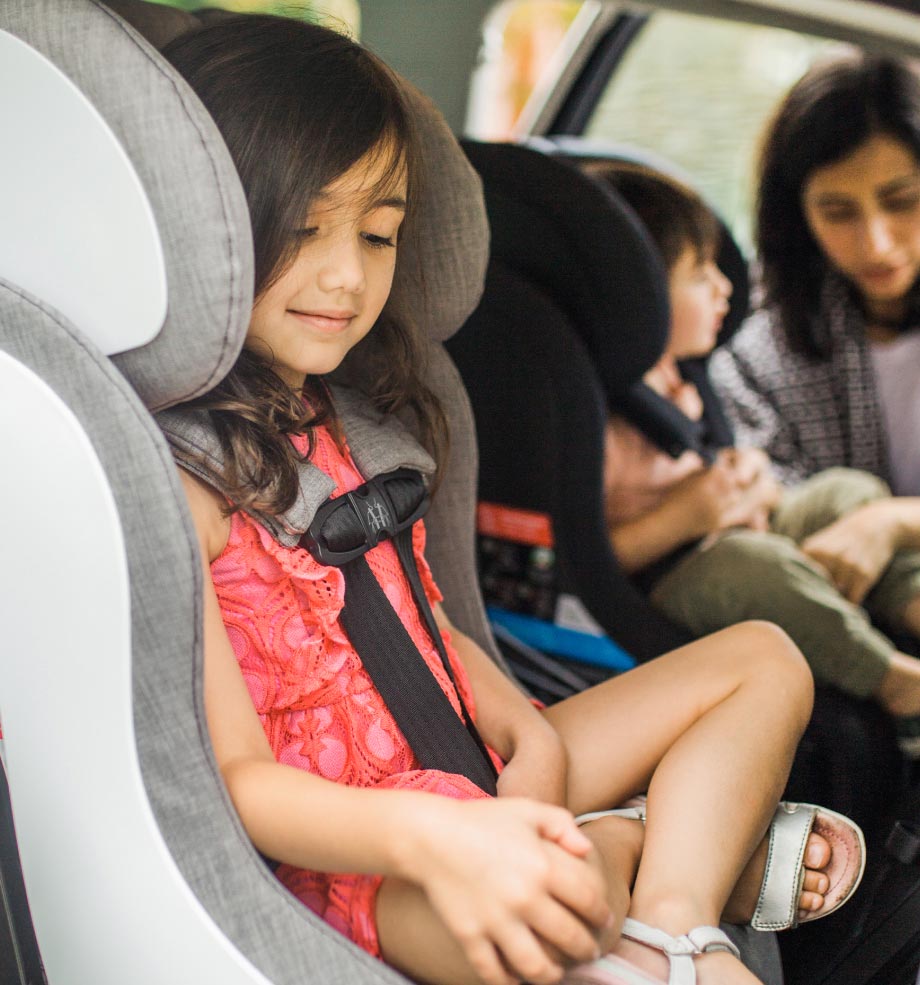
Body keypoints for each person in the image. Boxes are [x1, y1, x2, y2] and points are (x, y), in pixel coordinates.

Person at [161, 16, 857, 985]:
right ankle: (644, 842)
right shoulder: (178, 488)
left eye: (377, 233)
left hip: (466, 764)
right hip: (365, 855)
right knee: (533, 930)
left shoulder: (355, 418)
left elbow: (419, 617)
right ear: (210, 233)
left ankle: (671, 915)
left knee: (762, 659)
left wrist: (521, 727)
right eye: (304, 227)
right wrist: (435, 840)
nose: (345, 275)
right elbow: (236, 782)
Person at [591, 162, 920, 754]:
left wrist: (752, 482)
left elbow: (724, 462)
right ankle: (896, 685)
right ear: (633, 295)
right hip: (671, 576)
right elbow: (585, 562)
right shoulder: (598, 420)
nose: (724, 288)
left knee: (846, 490)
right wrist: (686, 517)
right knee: (750, 567)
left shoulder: (684, 378)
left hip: (736, 525)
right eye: (699, 275)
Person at [707, 53, 920, 736]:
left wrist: (888, 521)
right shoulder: (761, 353)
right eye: (838, 211)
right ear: (798, 214)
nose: (877, 241)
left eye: (902, 200)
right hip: (845, 636)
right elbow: (771, 521)